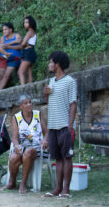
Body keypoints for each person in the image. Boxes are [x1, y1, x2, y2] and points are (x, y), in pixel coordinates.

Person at [43, 51, 77, 199]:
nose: (49, 64)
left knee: (67, 157)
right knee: (57, 158)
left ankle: (66, 189)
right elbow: (49, 102)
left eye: (51, 62)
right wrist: (46, 93)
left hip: (65, 125)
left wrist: (70, 125)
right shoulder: (51, 82)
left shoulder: (70, 81)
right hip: (53, 126)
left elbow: (73, 104)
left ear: (57, 64)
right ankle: (57, 188)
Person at [2, 95, 48, 194]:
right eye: (26, 103)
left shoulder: (38, 114)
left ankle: (23, 183)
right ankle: (12, 182)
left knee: (28, 152)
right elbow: (14, 137)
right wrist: (17, 145)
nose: (29, 104)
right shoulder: (17, 117)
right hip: (23, 147)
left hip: (38, 148)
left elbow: (47, 133)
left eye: (30, 102)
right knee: (13, 157)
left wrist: (45, 140)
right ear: (21, 106)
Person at [0, 23, 23, 90]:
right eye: (3, 30)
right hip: (4, 59)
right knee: (0, 76)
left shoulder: (16, 35)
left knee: (6, 76)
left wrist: (8, 45)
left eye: (6, 29)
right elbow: (1, 46)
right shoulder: (3, 38)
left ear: (10, 30)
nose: (4, 31)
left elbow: (20, 44)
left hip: (14, 58)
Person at [18, 16, 38, 86]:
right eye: (24, 22)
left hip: (28, 52)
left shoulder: (29, 32)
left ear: (31, 23)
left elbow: (23, 44)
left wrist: (21, 42)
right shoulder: (33, 32)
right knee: (29, 72)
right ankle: (30, 87)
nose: (25, 24)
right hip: (30, 52)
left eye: (26, 22)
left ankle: (23, 88)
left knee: (20, 72)